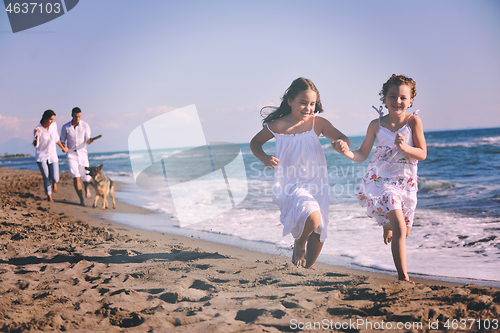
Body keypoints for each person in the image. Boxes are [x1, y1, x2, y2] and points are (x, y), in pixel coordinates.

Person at [250, 78, 350, 269]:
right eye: (303, 102)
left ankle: (306, 270)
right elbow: (255, 143)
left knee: (320, 230)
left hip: (318, 183)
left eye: (312, 104)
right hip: (292, 184)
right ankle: (299, 241)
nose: (308, 108)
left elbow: (342, 137)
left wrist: (343, 144)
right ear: (290, 101)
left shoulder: (317, 124)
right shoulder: (278, 125)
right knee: (312, 217)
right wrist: (264, 158)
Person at [336, 74, 427, 283]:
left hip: (406, 182)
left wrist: (404, 147)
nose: (398, 101)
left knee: (404, 232)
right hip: (382, 181)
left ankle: (387, 224)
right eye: (392, 96)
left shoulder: (413, 121)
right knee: (400, 228)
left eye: (403, 98)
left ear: (411, 100)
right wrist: (346, 152)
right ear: (384, 98)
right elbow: (361, 154)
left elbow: (422, 153)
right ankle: (403, 276)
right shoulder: (375, 125)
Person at [60, 107, 94, 206]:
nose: (77, 119)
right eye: (75, 116)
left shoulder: (85, 125)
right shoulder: (65, 127)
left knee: (86, 177)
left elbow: (87, 140)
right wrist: (63, 146)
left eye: (79, 116)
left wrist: (90, 141)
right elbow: (62, 140)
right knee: (76, 177)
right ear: (72, 115)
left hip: (83, 154)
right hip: (71, 154)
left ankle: (87, 188)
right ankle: (81, 200)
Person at [33, 110, 68, 202]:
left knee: (55, 177)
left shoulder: (54, 125)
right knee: (46, 176)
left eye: (53, 119)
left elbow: (56, 139)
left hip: (52, 155)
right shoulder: (38, 129)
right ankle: (49, 196)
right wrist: (37, 136)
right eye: (50, 119)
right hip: (41, 156)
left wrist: (63, 148)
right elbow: (35, 145)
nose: (52, 121)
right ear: (45, 118)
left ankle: (54, 183)